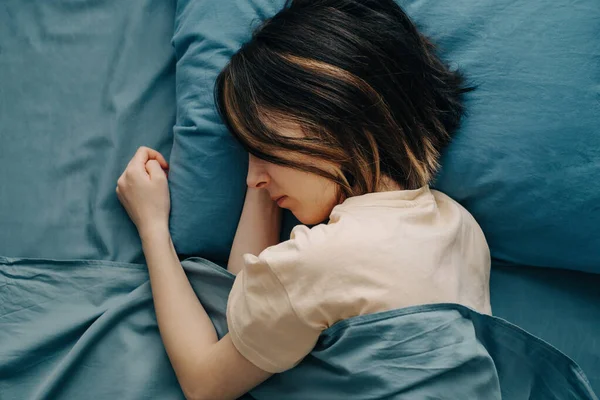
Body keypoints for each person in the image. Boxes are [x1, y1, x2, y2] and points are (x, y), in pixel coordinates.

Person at [116, 0, 491, 398]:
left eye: (262, 149)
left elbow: (205, 381)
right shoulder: (462, 228)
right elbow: (258, 310)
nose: (251, 178)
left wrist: (153, 227)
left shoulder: (318, 261)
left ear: (333, 113)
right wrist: (275, 167)